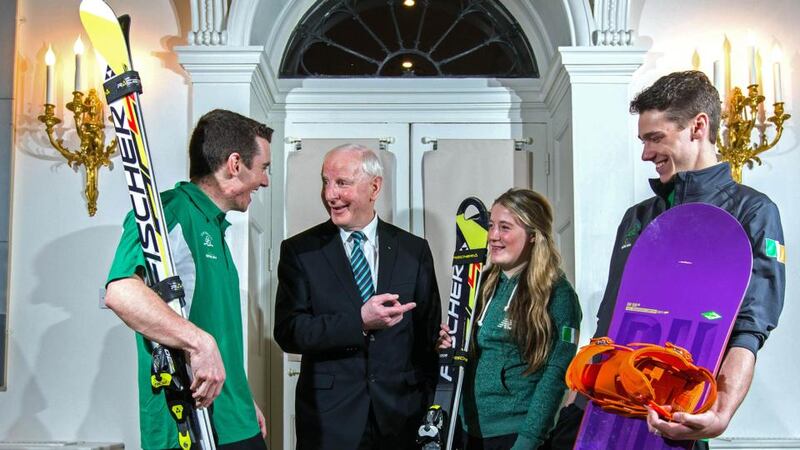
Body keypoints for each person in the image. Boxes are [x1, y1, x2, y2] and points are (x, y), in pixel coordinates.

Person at [547, 70, 785, 449]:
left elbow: (749, 330)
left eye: (656, 138)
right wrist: (578, 403)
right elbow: (610, 318)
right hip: (599, 410)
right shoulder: (638, 218)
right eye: (643, 140)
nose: (646, 154)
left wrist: (719, 412)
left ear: (698, 127)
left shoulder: (752, 212)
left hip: (675, 417)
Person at [105, 109, 273, 449]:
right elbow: (121, 292)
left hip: (234, 420)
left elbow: (216, 324)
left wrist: (242, 394)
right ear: (235, 163)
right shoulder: (169, 212)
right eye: (264, 168)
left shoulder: (215, 226)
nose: (266, 181)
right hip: (189, 426)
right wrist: (200, 343)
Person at [273, 144, 441, 450]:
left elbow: (427, 338)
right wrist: (359, 322)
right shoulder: (300, 250)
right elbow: (289, 331)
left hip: (402, 418)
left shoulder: (414, 251)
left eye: (342, 183)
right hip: (329, 422)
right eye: (325, 182)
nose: (329, 194)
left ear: (374, 187)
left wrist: (426, 404)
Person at [438, 188, 582, 450]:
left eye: (505, 227)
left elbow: (556, 374)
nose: (493, 236)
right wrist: (450, 344)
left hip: (516, 435)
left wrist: (528, 440)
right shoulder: (481, 286)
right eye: (491, 226)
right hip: (468, 429)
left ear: (533, 235)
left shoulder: (558, 293)